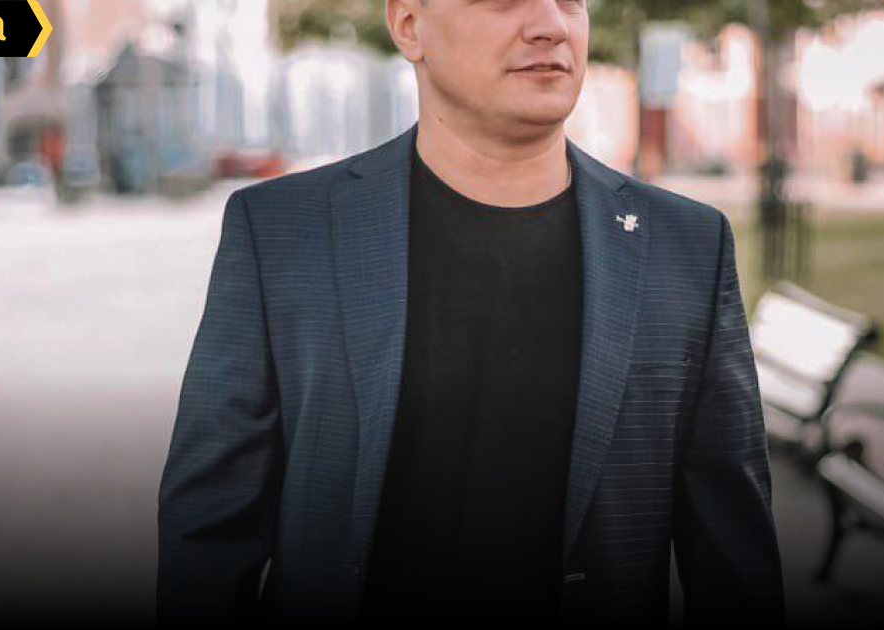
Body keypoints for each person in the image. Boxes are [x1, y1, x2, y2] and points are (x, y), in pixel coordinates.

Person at [157, 0, 786, 626]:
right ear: (409, 26)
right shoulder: (284, 233)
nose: (551, 25)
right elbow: (210, 531)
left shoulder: (685, 247)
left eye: (571, 1)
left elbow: (735, 557)